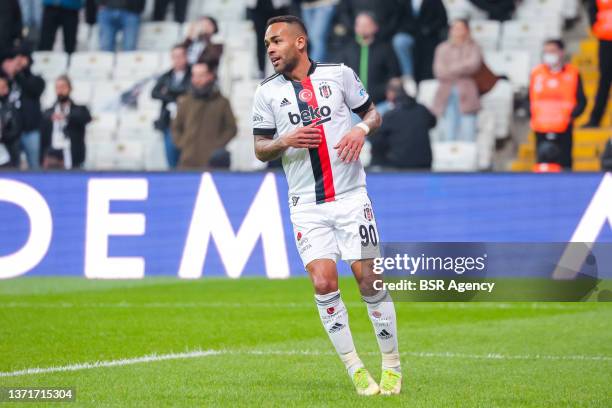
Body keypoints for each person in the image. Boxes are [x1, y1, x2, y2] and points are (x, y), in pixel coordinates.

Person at [252, 15, 401, 396]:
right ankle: (355, 369)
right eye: (267, 42)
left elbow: (373, 113)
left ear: (300, 42)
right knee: (323, 281)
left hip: (352, 199)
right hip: (306, 206)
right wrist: (285, 140)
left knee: (370, 280)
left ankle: (392, 364)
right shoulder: (266, 93)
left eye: (276, 41)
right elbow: (259, 149)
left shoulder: (339, 75)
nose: (269, 48)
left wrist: (359, 128)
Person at [529, 39, 586, 170]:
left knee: (565, 165)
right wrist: (532, 113)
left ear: (561, 52)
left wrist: (571, 116)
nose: (549, 54)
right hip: (540, 127)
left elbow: (582, 100)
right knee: (542, 165)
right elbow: (529, 98)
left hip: (564, 127)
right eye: (546, 51)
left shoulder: (573, 73)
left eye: (552, 51)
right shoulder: (536, 73)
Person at [172, 61, 237, 169]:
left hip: (213, 163)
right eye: (194, 75)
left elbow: (231, 128)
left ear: (210, 76)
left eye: (201, 75)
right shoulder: (185, 101)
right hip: (187, 161)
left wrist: (216, 145)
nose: (197, 79)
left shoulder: (222, 102)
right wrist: (182, 143)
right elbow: (176, 127)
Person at [333, 12, 400, 106]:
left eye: (366, 25)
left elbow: (394, 75)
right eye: (359, 25)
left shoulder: (385, 49)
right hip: (354, 106)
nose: (362, 28)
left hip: (381, 102)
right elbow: (338, 75)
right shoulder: (347, 49)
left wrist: (392, 91)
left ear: (375, 27)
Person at [432, 19, 482, 141]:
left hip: (467, 93)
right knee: (449, 133)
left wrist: (451, 68)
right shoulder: (442, 48)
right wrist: (461, 69)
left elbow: (473, 65)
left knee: (468, 133)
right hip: (445, 93)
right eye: (454, 28)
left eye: (460, 28)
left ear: (467, 30)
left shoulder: (473, 47)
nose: (457, 31)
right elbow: (439, 71)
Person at [370, 78, 435, 169]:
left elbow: (376, 141)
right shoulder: (422, 110)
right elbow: (433, 122)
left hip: (399, 167)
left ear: (391, 93)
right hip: (425, 165)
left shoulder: (390, 115)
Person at [1, 46, 45, 169]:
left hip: (30, 130)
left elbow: (32, 89)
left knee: (34, 165)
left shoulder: (36, 80)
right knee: (12, 165)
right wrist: (7, 71)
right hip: (11, 133)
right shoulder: (7, 81)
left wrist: (19, 72)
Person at [152, 45, 191, 169]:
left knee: (187, 155)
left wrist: (168, 92)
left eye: (180, 56)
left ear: (186, 57)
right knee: (171, 154)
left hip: (188, 121)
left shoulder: (192, 74)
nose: (177, 60)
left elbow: (191, 92)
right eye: (175, 57)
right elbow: (154, 93)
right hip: (170, 121)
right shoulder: (167, 76)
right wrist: (173, 97)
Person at [40, 75, 91, 169]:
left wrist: (66, 116)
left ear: (70, 88)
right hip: (52, 154)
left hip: (72, 153)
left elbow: (86, 118)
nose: (60, 90)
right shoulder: (49, 112)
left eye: (63, 87)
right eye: (58, 87)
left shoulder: (79, 109)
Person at [392, 0, 447, 83]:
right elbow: (400, 20)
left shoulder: (435, 1)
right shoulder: (405, 2)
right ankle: (408, 75)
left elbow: (442, 19)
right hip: (412, 35)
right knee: (399, 41)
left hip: (430, 36)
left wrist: (429, 29)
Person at [583, 0, 612, 128]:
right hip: (606, 40)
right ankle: (595, 119)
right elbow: (592, 9)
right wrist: (596, 27)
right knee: (604, 81)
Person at [247, 0, 291, 78]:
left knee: (278, 38)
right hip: (258, 6)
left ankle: (281, 68)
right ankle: (261, 70)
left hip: (276, 7)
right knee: (260, 40)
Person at [0, 75, 22, 168]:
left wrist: (3, 135)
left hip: (7, 150)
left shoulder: (12, 106)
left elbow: (16, 129)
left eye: (3, 87)